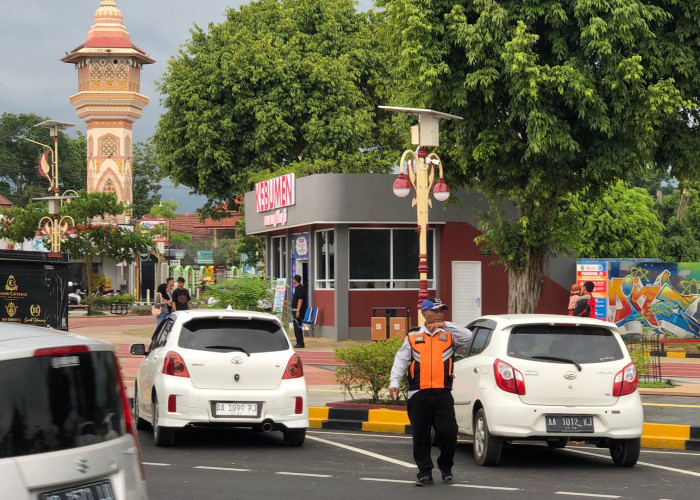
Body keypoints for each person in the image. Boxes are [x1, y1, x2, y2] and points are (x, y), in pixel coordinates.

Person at [389, 297, 473, 487]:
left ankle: (446, 467)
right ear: (424, 313)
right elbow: (400, 360)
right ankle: (424, 473)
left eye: (441, 310)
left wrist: (446, 324)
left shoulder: (449, 335)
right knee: (421, 436)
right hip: (419, 394)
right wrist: (394, 382)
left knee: (449, 432)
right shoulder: (413, 337)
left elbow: (468, 337)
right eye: (435, 310)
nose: (439, 313)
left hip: (443, 392)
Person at [291, 274, 307, 348]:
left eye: (293, 279)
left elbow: (300, 300)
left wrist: (298, 311)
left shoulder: (300, 288)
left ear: (295, 280)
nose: (292, 280)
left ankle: (300, 343)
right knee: (295, 326)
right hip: (294, 309)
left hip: (298, 311)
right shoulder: (297, 288)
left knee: (298, 326)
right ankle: (298, 342)